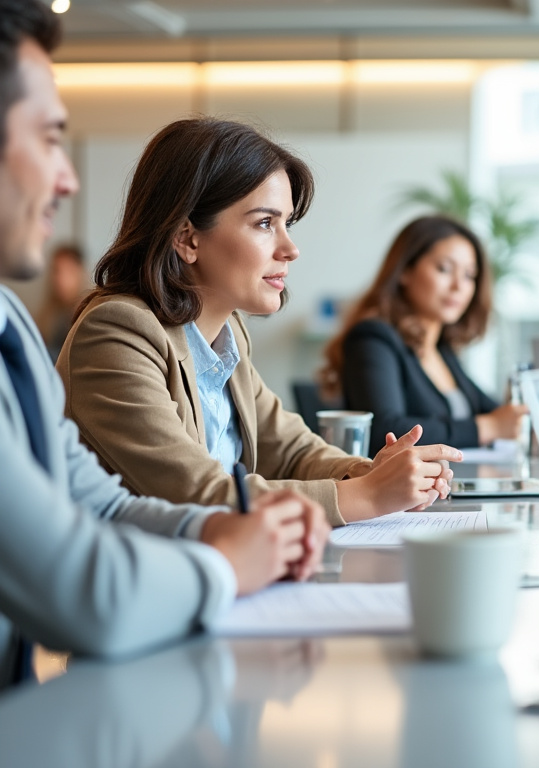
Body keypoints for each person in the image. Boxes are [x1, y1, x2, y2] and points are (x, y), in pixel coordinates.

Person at [0, 0, 329, 689]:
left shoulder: (11, 327)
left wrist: (225, 534)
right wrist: (230, 561)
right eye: (51, 139)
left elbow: (105, 506)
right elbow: (83, 591)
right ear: (188, 238)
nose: (69, 178)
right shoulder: (114, 328)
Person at [56, 119, 459, 528]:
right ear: (187, 238)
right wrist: (368, 494)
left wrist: (368, 472)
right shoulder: (115, 333)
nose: (290, 249)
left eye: (287, 224)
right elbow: (195, 493)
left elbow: (289, 450)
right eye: (265, 223)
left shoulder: (227, 334)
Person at [320, 215, 527, 454]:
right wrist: (486, 428)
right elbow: (385, 430)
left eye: (470, 275)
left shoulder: (441, 349)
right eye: (444, 269)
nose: (459, 286)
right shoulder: (372, 338)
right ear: (405, 271)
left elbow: (491, 411)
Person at [33, 241, 86, 360]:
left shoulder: (86, 311)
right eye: (56, 271)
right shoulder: (48, 312)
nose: (61, 279)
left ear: (80, 273)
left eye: (69, 271)